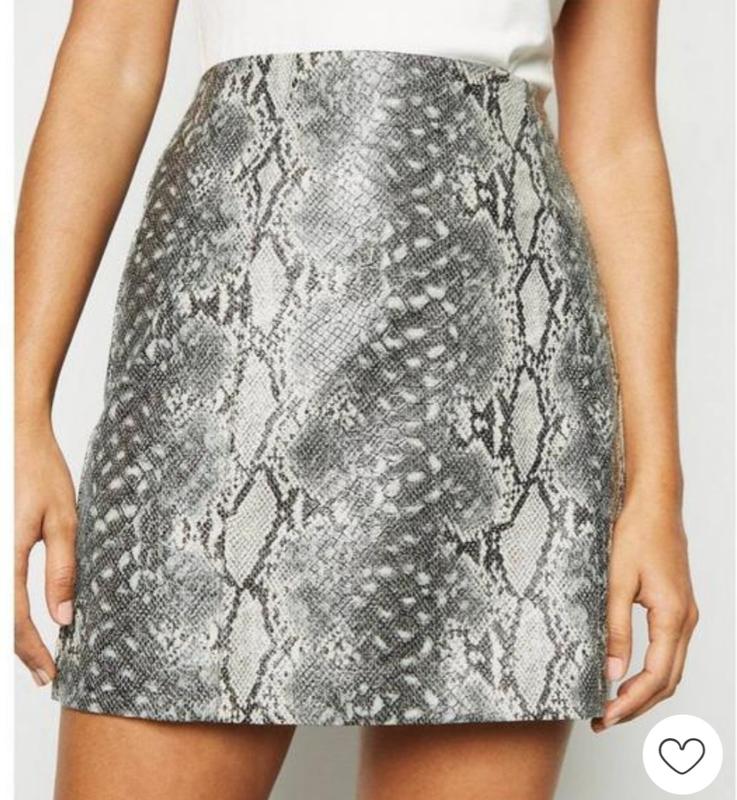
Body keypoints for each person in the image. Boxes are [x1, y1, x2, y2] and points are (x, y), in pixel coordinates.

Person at [15, 1, 698, 798]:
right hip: (232, 340)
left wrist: (655, 489)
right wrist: (21, 412)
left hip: (497, 365)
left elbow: (614, 137)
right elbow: (110, 59)